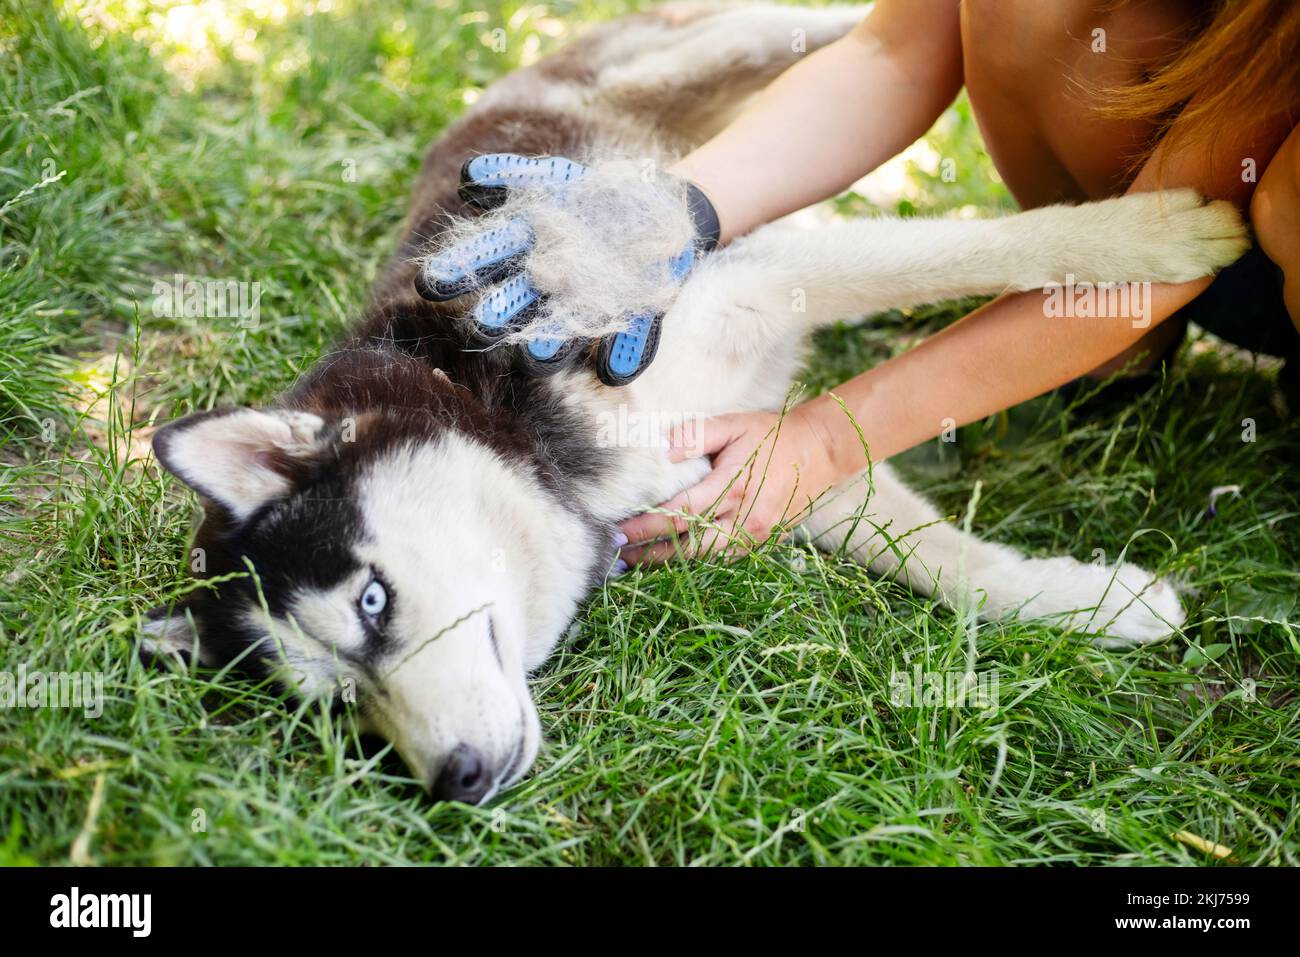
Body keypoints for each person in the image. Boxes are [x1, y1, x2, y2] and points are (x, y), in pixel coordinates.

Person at [444, 0, 1300, 565]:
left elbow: (1168, 249)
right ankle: (1112, 350)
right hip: (1192, 209)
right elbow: (893, 54)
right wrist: (679, 206)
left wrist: (823, 441)